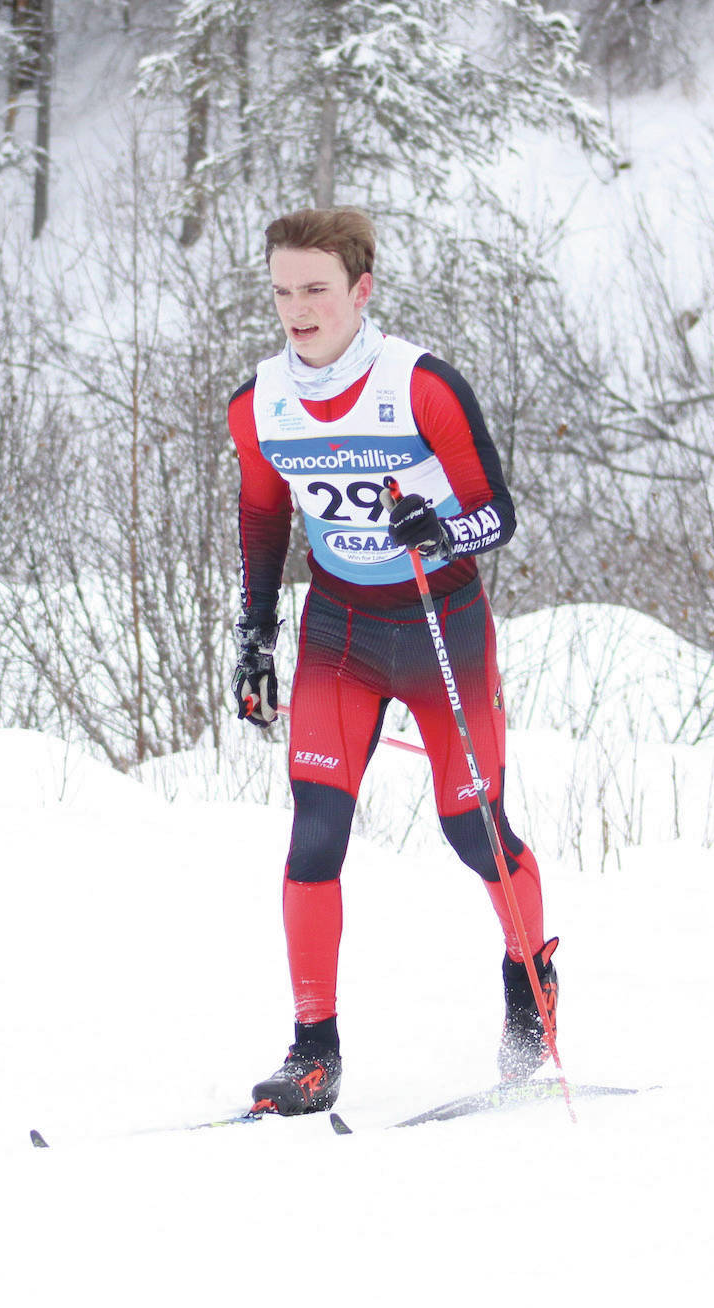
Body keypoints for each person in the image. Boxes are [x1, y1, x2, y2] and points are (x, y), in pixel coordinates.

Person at [226, 207, 558, 1115]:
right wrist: (253, 637)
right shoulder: (259, 403)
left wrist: (442, 524)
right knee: (316, 833)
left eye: (316, 290)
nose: (298, 309)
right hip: (340, 631)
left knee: (471, 828)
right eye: (283, 289)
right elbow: (264, 520)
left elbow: (497, 512)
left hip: (438, 622)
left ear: (360, 290)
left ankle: (532, 984)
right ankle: (312, 1053)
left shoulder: (421, 387)